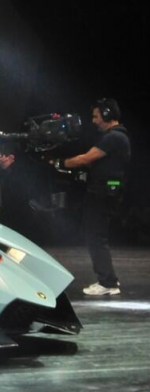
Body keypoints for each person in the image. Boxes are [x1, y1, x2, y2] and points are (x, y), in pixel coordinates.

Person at [54, 98, 130, 296]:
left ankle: (107, 282)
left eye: (96, 116)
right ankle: (108, 279)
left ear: (107, 114)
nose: (94, 121)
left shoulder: (113, 137)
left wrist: (60, 163)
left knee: (95, 237)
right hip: (105, 192)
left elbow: (86, 158)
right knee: (96, 236)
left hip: (102, 193)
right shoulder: (115, 137)